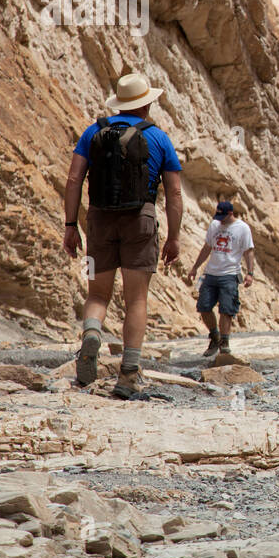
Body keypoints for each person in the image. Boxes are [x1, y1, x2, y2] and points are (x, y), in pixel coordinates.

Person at [63, 73, 182, 399]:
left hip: (99, 219)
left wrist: (71, 226)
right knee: (136, 300)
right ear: (145, 104)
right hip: (140, 221)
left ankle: (92, 334)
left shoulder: (93, 132)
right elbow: (173, 192)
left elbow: (74, 180)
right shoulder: (158, 137)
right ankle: (128, 375)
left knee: (98, 295)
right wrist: (173, 238)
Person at [186, 201, 256, 358]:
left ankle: (224, 342)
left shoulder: (242, 228)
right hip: (211, 273)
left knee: (226, 309)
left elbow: (249, 251)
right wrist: (195, 267)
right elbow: (207, 247)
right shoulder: (214, 225)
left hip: (230, 274)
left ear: (230, 213)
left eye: (223, 216)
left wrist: (250, 273)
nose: (220, 220)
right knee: (203, 307)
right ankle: (215, 336)